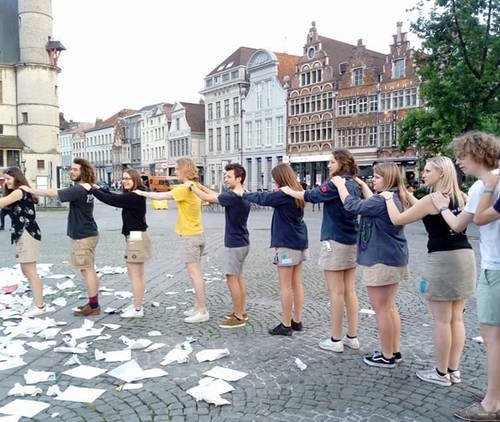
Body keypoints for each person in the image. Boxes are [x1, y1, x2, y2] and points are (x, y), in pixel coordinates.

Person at [381, 156, 475, 387]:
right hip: (465, 256)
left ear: (441, 173)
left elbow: (398, 219)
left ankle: (440, 373)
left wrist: (387, 199)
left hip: (443, 259)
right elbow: (422, 207)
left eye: (429, 170)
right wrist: (408, 195)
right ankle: (453, 369)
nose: (423, 174)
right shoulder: (461, 197)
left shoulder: (433, 198)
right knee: (456, 318)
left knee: (442, 320)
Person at [429, 132, 500, 421]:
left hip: (496, 267)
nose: (458, 161)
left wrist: (443, 207)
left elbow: (468, 223)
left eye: (462, 155)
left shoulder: (486, 185)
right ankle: (492, 393)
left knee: (492, 336)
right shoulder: (482, 185)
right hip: (490, 264)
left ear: (478, 154)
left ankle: (492, 403)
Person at [281, 149, 361, 352]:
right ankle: (352, 336)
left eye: (332, 162)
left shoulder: (336, 183)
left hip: (335, 241)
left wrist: (291, 192)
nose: (328, 165)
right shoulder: (355, 183)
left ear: (341, 163)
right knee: (350, 291)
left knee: (336, 292)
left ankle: (335, 340)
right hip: (352, 240)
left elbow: (313, 195)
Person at [332, 163, 411, 368]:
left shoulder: (382, 200)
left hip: (380, 259)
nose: (372, 180)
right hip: (395, 257)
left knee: (382, 310)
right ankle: (394, 350)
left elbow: (353, 206)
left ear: (388, 179)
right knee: (390, 308)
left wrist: (341, 185)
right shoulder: (394, 197)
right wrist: (362, 184)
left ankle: (386, 355)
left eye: (376, 177)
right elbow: (371, 201)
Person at [22, 158, 100, 317]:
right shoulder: (89, 187)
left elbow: (53, 193)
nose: (71, 172)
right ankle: (93, 302)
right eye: (71, 169)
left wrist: (31, 190)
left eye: (75, 169)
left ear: (84, 171)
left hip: (83, 235)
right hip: (88, 232)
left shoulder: (79, 189)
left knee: (87, 269)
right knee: (87, 268)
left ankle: (94, 306)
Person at [135, 158, 208, 323]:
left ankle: (202, 310)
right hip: (197, 234)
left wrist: (142, 193)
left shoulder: (184, 188)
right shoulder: (195, 186)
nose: (175, 172)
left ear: (184, 170)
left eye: (177, 169)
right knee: (196, 273)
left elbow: (162, 196)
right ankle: (198, 306)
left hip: (190, 236)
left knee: (195, 274)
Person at [242, 163, 308, 336]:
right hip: (300, 241)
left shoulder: (284, 193)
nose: (272, 180)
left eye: (274, 177)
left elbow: (263, 199)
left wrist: (244, 193)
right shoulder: (297, 190)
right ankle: (297, 320)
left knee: (285, 286)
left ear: (280, 177)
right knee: (297, 283)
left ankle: (286, 325)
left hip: (287, 243)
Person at [189, 163, 251, 328]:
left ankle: (238, 317)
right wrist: (201, 186)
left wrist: (191, 187)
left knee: (232, 279)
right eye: (225, 176)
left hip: (235, 243)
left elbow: (207, 198)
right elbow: (217, 195)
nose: (226, 179)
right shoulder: (242, 193)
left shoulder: (233, 197)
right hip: (243, 241)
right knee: (238, 278)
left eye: (229, 176)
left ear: (239, 178)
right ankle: (241, 311)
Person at [83, 169, 151, 318]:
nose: (125, 181)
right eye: (124, 178)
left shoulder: (135, 195)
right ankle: (137, 304)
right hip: (135, 236)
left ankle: (138, 309)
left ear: (136, 180)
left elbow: (112, 201)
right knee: (137, 274)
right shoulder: (132, 194)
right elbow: (113, 196)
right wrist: (98, 188)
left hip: (136, 238)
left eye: (129, 179)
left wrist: (93, 191)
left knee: (135, 275)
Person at [0, 167, 46, 317]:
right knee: (26, 270)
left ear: (16, 177)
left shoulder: (19, 191)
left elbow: (3, 202)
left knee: (30, 271)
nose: (5, 183)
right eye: (4, 180)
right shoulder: (19, 191)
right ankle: (38, 303)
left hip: (27, 233)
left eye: (8, 179)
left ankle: (40, 305)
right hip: (23, 234)